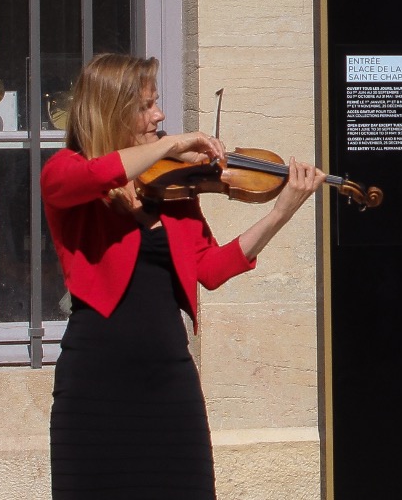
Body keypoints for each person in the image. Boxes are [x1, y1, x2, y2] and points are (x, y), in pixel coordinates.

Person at [41, 53, 323, 499]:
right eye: (147, 105)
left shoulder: (173, 188)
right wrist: (170, 146)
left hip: (167, 379)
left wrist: (281, 213)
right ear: (113, 110)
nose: (161, 115)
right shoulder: (65, 172)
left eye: (157, 103)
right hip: (96, 382)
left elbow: (209, 270)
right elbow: (96, 174)